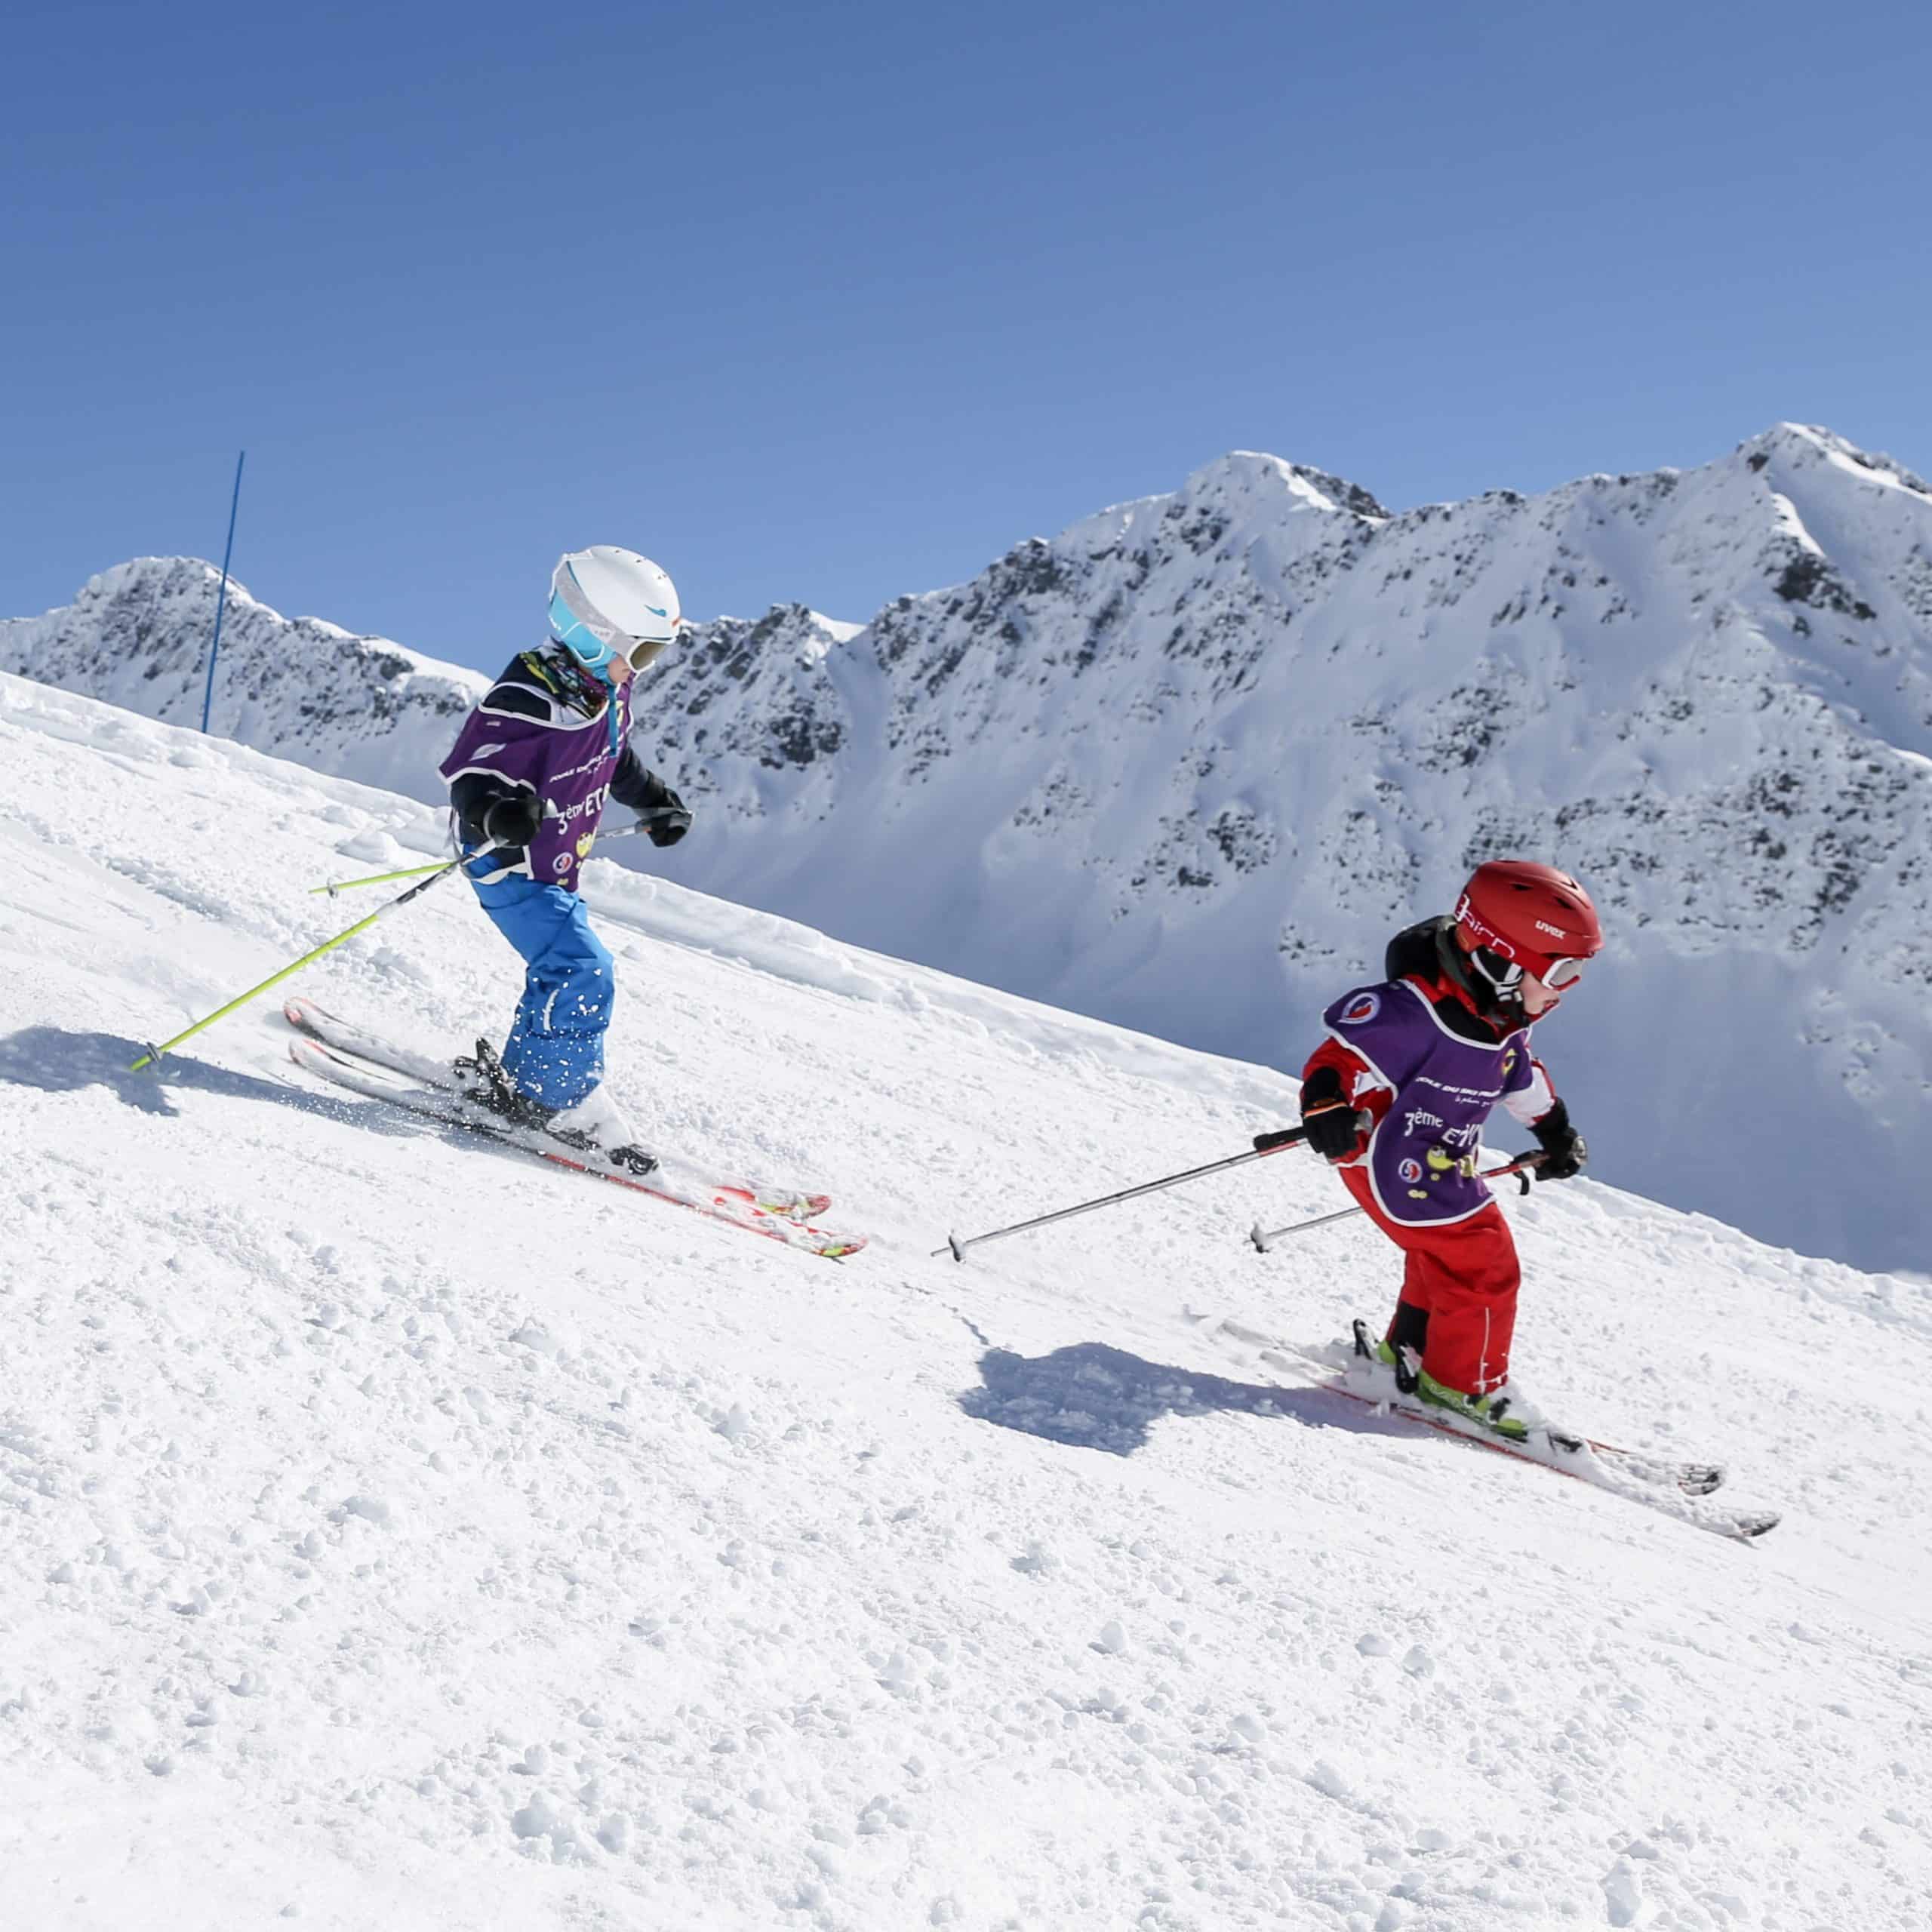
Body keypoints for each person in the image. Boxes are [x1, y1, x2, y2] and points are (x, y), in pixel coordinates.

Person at [1266, 861, 1601, 1439]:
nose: (1568, 987)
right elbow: (1337, 1059)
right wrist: (1326, 1106)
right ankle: (1464, 1385)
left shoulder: (1500, 1018)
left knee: (1442, 1259)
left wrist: (1553, 1129)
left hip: (1437, 1161)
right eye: (1561, 970)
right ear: (1500, 959)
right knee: (1484, 1262)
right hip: (1388, 1157)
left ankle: (1413, 1355)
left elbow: (1517, 1075)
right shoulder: (1411, 1010)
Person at [436, 546, 693, 1175]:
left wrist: (655, 801)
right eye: (645, 651)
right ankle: (554, 1100)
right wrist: (496, 812)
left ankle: (531, 1082)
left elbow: (613, 757)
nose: (646, 667)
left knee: (562, 964)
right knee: (585, 967)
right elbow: (472, 771)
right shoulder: (531, 690)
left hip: (554, 863)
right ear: (596, 633)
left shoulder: (604, 686)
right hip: (509, 863)